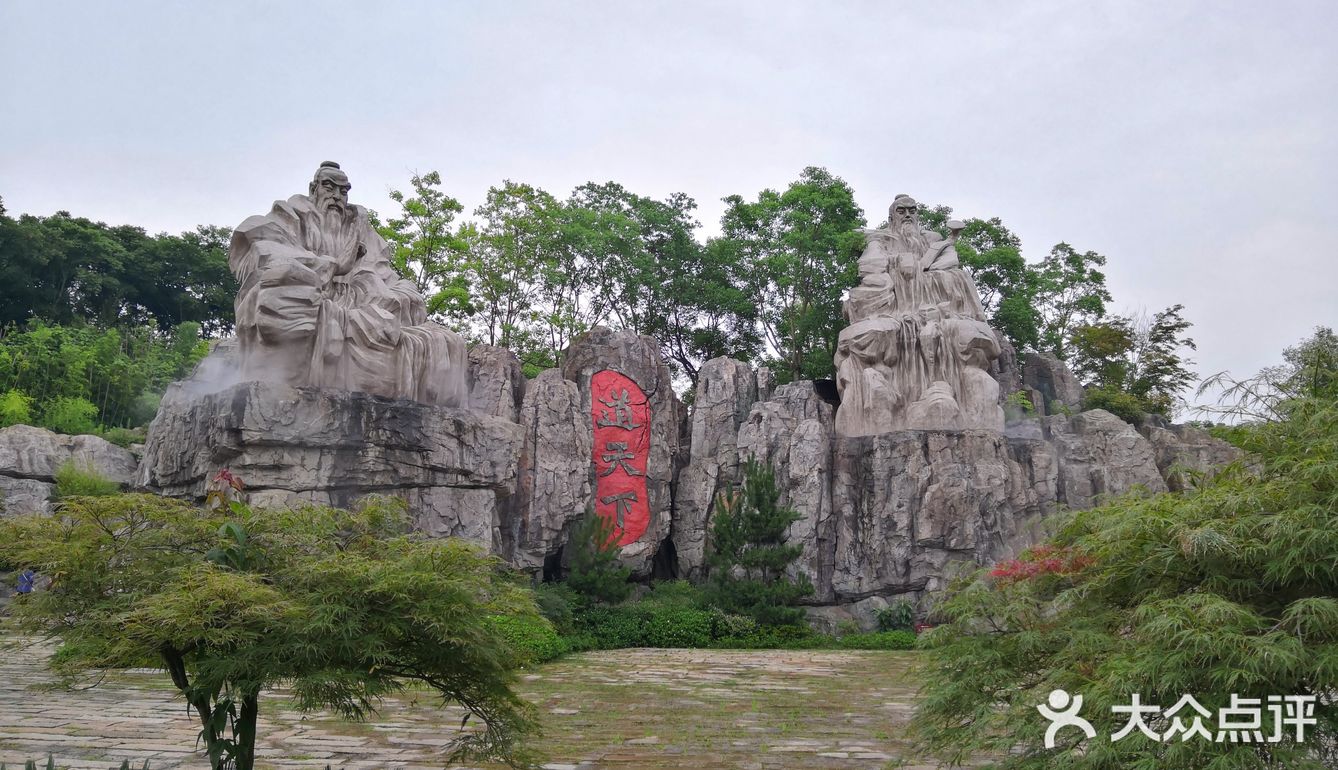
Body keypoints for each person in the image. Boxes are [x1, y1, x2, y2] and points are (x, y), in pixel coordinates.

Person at [228, 161, 469, 406]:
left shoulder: (359, 228)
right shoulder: (288, 216)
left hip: (360, 308)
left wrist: (392, 293)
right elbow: (267, 258)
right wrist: (334, 265)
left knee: (444, 340)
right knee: (279, 299)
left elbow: (385, 275)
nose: (336, 197)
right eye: (329, 188)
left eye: (343, 192)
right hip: (308, 300)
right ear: (314, 189)